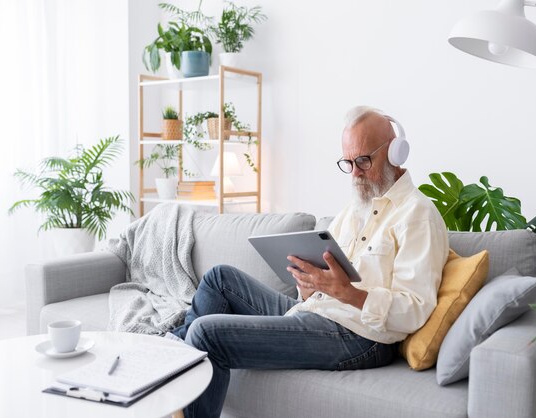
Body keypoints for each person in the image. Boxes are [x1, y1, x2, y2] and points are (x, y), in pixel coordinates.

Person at [171, 106, 449, 418]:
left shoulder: (418, 215)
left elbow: (415, 310)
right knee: (219, 279)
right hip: (314, 310)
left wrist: (347, 293)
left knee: (207, 333)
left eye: (363, 161)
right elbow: (325, 281)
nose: (355, 173)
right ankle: (164, 363)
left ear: (396, 153)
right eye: (348, 162)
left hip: (359, 337)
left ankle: (167, 371)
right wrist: (308, 286)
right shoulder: (355, 209)